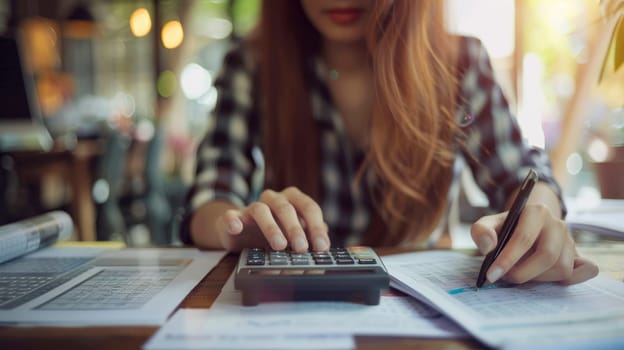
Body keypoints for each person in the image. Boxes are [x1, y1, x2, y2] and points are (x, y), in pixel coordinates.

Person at [183, 0, 598, 286]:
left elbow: (519, 175)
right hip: (295, 300)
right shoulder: (253, 63)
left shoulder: (459, 63)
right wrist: (235, 226)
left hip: (425, 303)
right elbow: (211, 198)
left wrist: (538, 212)